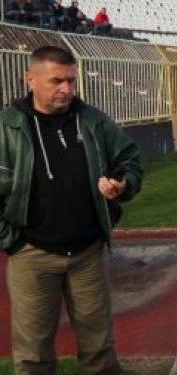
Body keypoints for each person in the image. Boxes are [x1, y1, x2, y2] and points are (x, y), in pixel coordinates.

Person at [1, 46, 142, 374]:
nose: (66, 89)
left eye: (71, 81)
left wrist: (122, 184)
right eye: (56, 81)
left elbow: (129, 160)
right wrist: (12, 241)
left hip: (87, 252)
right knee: (33, 356)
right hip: (31, 255)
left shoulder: (93, 120)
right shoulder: (7, 127)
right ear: (30, 79)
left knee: (99, 350)